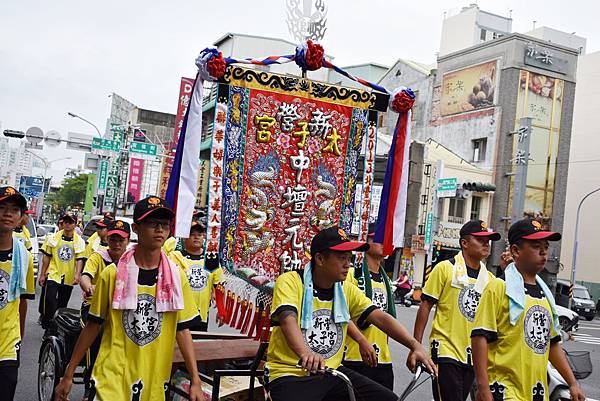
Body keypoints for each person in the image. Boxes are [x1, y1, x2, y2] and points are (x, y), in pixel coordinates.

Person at [54, 196, 206, 401]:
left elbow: (182, 330)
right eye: (152, 223)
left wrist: (195, 380)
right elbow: (93, 325)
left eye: (164, 224)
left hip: (153, 380)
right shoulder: (112, 274)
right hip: (112, 377)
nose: (160, 229)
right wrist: (69, 373)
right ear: (136, 228)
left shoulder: (177, 278)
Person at [265, 226, 436, 401]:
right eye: (341, 258)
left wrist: (415, 345)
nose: (348, 264)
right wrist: (305, 353)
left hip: (331, 372)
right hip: (290, 374)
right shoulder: (290, 282)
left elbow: (379, 317)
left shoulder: (345, 289)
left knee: (388, 398)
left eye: (349, 258)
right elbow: (288, 320)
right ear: (320, 259)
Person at [471, 219, 585, 401]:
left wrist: (572, 383)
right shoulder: (498, 287)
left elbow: (553, 344)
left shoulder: (546, 296)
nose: (544, 251)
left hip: (535, 392)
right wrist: (483, 388)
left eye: (546, 246)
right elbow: (479, 338)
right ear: (516, 251)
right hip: (504, 390)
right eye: (535, 245)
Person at [413, 220, 500, 401]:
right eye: (480, 239)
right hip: (445, 351)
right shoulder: (445, 268)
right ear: (464, 243)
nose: (486, 244)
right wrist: (416, 346)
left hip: (473, 356)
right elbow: (425, 307)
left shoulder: (491, 280)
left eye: (488, 240)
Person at [79, 219, 130, 399]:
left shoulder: (132, 260)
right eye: (113, 239)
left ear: (128, 241)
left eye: (120, 240)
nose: (116, 244)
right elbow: (85, 276)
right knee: (97, 332)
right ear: (107, 239)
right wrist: (89, 287)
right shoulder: (98, 256)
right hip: (94, 308)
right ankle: (89, 381)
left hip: (120, 311)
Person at [342, 223, 397, 390]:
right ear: (365, 241)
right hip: (355, 357)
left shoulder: (386, 280)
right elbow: (341, 314)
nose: (383, 242)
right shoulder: (351, 274)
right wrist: (361, 340)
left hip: (383, 360)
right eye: (378, 238)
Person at [0, 187, 35, 401]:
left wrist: (19, 339)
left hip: (8, 346)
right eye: (2, 207)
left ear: (21, 218)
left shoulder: (24, 257)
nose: (8, 213)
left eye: (14, 209)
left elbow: (23, 302)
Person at [170, 220, 223, 332]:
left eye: (199, 235)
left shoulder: (210, 258)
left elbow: (219, 285)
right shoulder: (176, 257)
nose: (196, 237)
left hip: (201, 316)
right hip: (180, 314)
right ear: (184, 238)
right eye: (192, 234)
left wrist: (221, 310)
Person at [38, 213, 86, 329]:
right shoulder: (53, 239)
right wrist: (42, 274)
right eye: (66, 222)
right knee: (50, 300)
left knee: (62, 305)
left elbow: (79, 259)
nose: (68, 224)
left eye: (70, 222)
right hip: (53, 274)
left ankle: (55, 327)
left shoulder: (79, 241)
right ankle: (47, 324)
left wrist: (77, 274)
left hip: (68, 277)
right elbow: (47, 257)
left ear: (75, 224)